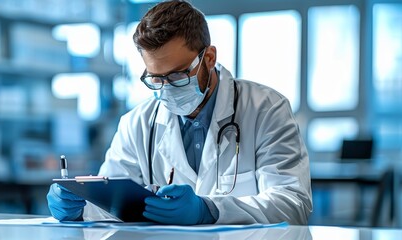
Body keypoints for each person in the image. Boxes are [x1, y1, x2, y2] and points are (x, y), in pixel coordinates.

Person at [47, 0, 312, 225]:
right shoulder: (137, 123)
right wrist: (80, 207)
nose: (166, 89)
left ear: (209, 58)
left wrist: (207, 211)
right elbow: (112, 205)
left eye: (177, 75)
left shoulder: (265, 109)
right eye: (155, 79)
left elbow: (292, 203)